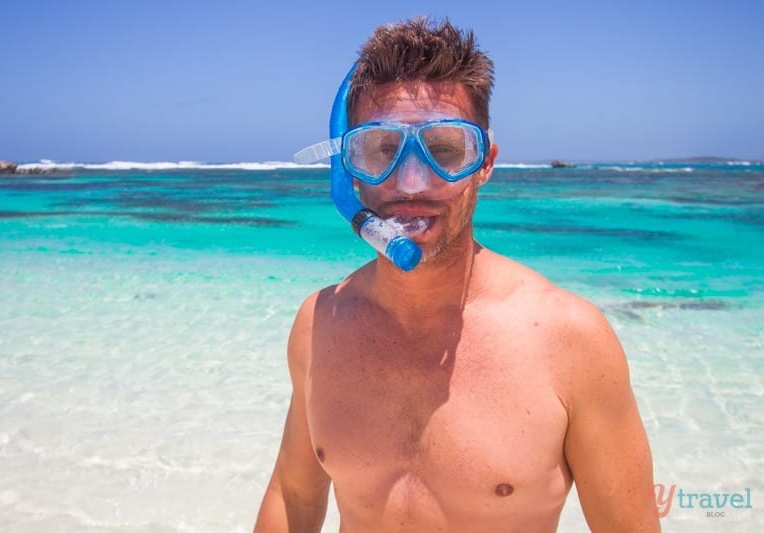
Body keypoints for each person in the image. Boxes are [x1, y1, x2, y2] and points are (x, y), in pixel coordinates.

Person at [255, 17, 660, 532]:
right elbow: (293, 495)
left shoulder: (571, 340)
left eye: (445, 150)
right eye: (380, 150)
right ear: (347, 171)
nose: (411, 183)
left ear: (485, 161)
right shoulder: (320, 323)